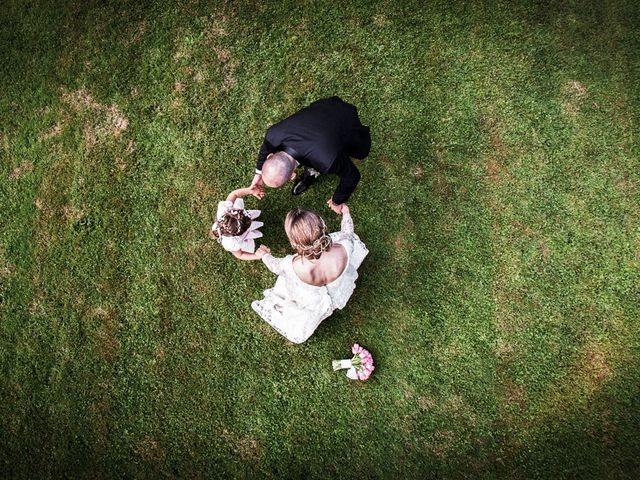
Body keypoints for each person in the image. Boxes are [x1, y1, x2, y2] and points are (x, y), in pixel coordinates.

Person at [252, 205, 368, 343]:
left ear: (294, 242)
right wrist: (346, 213)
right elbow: (348, 232)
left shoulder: (293, 265)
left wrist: (264, 255)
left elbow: (275, 266)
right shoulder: (345, 247)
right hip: (337, 288)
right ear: (322, 225)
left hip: (312, 298)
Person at [250, 96, 371, 214]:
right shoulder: (273, 134)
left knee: (360, 152)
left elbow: (352, 176)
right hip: (324, 107)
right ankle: (312, 173)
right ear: (269, 156)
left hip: (344, 116)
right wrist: (259, 173)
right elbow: (265, 149)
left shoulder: (328, 161)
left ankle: (313, 172)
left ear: (292, 175)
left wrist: (336, 202)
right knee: (315, 157)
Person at [210, 186, 264, 260]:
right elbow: (240, 254)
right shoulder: (232, 243)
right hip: (241, 237)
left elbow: (234, 194)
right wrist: (257, 256)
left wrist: (250, 191)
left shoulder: (224, 210)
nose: (246, 214)